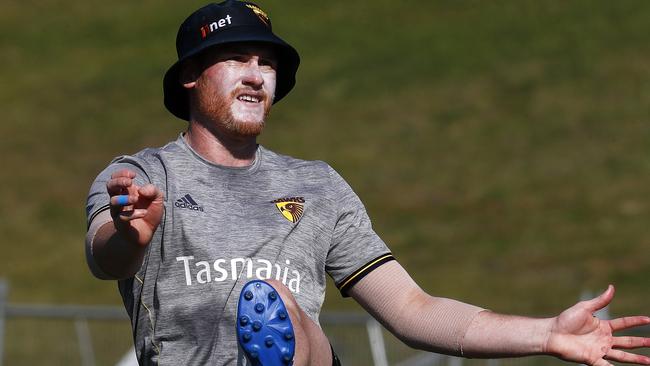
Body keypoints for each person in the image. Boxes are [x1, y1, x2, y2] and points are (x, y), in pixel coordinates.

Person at [85, 1, 650, 365]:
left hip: (313, 359)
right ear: (190, 75)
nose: (257, 75)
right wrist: (132, 235)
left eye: (268, 64)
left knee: (273, 302)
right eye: (235, 59)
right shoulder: (141, 177)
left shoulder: (318, 186)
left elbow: (411, 308)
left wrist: (547, 332)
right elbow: (104, 256)